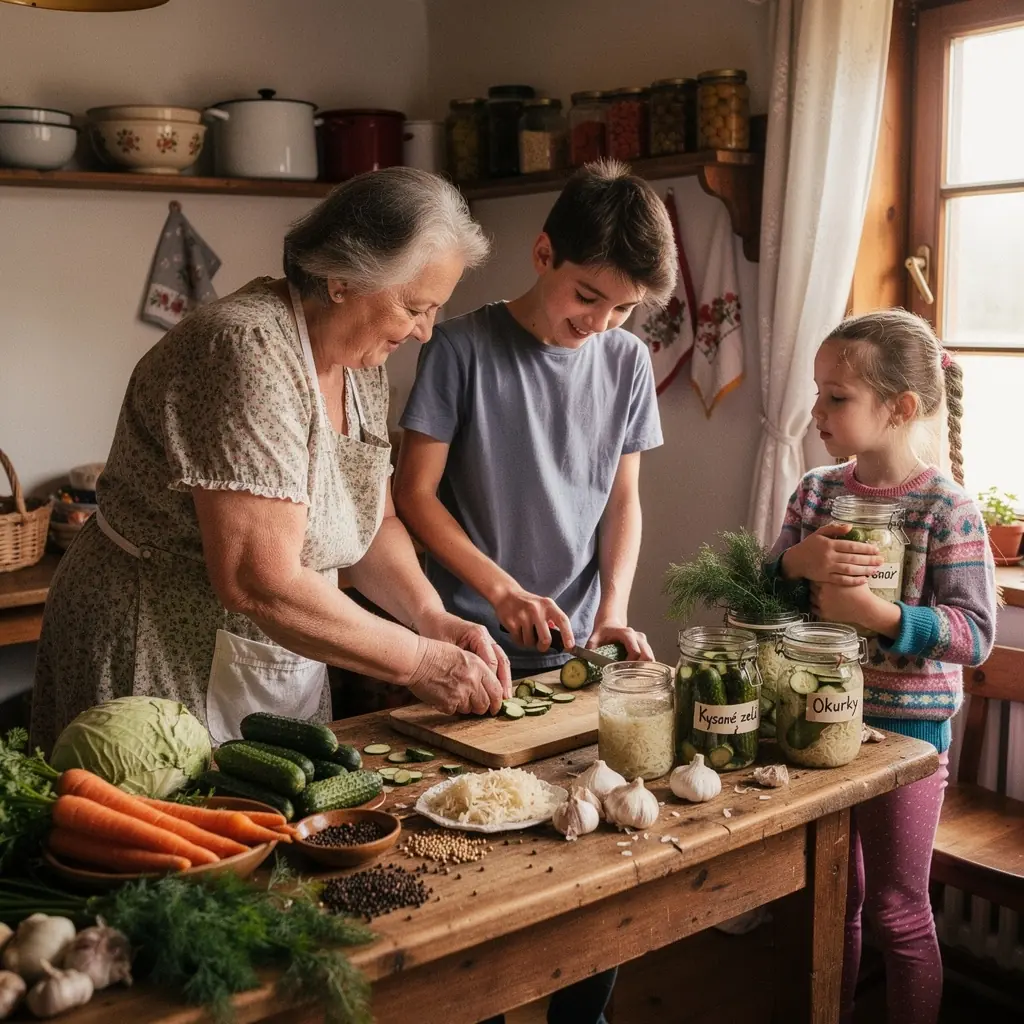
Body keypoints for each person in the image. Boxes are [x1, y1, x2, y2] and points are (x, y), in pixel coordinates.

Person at [32, 168, 512, 753]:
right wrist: (419, 661)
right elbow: (259, 581)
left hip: (268, 648)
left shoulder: (361, 364)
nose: (425, 332)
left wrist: (431, 618)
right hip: (154, 641)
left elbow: (374, 522)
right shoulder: (246, 350)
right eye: (415, 307)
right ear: (343, 280)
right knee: (162, 802)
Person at [393, 159, 677, 1024]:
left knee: (593, 863)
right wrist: (503, 589)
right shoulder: (459, 347)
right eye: (587, 296)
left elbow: (623, 503)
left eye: (622, 309)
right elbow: (413, 496)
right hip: (465, 651)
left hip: (576, 654)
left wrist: (614, 612)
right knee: (475, 871)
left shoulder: (626, 361)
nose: (600, 323)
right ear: (544, 253)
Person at [769, 309, 997, 1024]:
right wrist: (793, 563)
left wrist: (881, 615)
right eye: (818, 393)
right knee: (834, 904)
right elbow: (759, 596)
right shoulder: (814, 493)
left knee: (899, 913)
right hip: (817, 724)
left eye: (837, 397)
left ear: (899, 408)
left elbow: (975, 635)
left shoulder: (948, 509)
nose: (817, 412)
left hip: (908, 741)